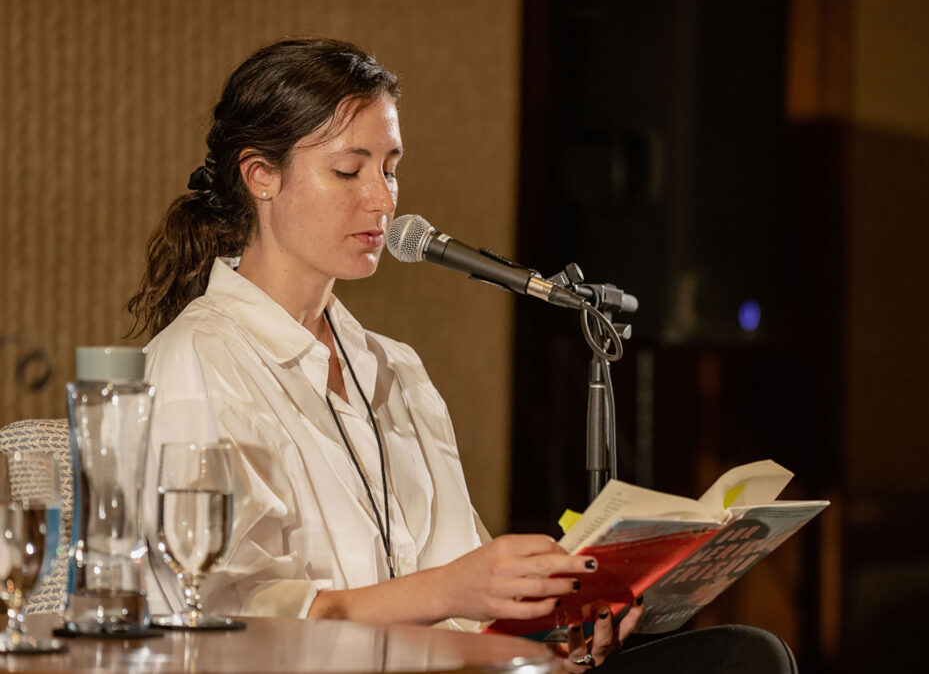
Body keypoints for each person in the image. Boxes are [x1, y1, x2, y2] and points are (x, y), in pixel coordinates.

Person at [126, 37, 641, 670]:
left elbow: (471, 603)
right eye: (349, 170)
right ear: (260, 175)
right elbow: (211, 619)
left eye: (390, 167)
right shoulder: (195, 361)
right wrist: (450, 590)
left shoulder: (396, 369)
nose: (384, 199)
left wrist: (554, 620)